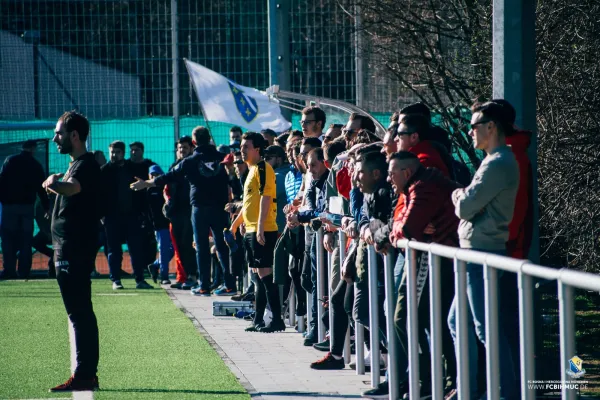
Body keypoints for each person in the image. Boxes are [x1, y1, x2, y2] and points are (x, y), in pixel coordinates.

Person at [447, 101, 520, 400]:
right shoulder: (491, 161)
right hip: (473, 252)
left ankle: (506, 393)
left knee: (486, 328)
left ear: (491, 127)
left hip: (483, 253)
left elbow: (465, 206)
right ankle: (471, 389)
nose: (470, 130)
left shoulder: (499, 162)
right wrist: (463, 197)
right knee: (458, 322)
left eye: (474, 125)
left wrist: (456, 194)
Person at [130, 126, 235, 297]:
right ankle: (230, 284)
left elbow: (168, 177)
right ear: (209, 139)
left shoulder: (189, 161)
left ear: (194, 142)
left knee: (201, 247)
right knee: (221, 245)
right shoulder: (221, 158)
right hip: (220, 208)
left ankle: (204, 286)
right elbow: (233, 178)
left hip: (199, 208)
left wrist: (147, 183)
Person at [44, 111, 101, 392]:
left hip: (73, 250)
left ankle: (85, 375)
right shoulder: (76, 164)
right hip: (67, 249)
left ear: (74, 136)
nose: (55, 138)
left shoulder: (84, 166)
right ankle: (87, 373)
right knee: (80, 313)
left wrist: (53, 183)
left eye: (59, 133)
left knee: (79, 314)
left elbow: (73, 188)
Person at [230, 132, 285, 333]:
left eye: (246, 147)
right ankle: (258, 319)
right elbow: (248, 204)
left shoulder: (263, 168)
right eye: (242, 146)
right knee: (257, 277)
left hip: (263, 230)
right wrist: (236, 225)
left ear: (257, 149)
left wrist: (260, 227)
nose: (242, 150)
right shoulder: (251, 170)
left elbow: (266, 198)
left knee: (265, 276)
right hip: (251, 230)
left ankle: (277, 319)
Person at [101, 141, 154, 290]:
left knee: (136, 249)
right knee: (114, 250)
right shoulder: (104, 171)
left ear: (123, 153)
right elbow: (98, 195)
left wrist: (142, 213)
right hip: (111, 217)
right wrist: (102, 215)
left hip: (132, 216)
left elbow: (142, 189)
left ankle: (139, 280)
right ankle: (116, 280)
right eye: (112, 152)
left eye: (117, 152)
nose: (114, 155)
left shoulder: (132, 169)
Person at [0, 139, 49, 279]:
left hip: (9, 207)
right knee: (25, 240)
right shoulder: (36, 165)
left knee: (8, 239)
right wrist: (46, 207)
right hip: (27, 207)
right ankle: (24, 271)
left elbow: (1, 181)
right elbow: (41, 189)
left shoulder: (10, 161)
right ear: (33, 149)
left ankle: (9, 270)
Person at [164, 136, 197, 289]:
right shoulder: (174, 166)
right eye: (179, 148)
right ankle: (185, 277)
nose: (182, 150)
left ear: (191, 148)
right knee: (180, 246)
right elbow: (167, 187)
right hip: (176, 212)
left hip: (190, 212)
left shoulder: (194, 164)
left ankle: (193, 276)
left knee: (188, 244)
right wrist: (167, 202)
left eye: (185, 147)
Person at [146, 165, 174, 285]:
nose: (154, 177)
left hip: (171, 223)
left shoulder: (167, 188)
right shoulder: (148, 191)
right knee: (164, 250)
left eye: (156, 174)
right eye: (152, 174)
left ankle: (155, 265)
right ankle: (164, 276)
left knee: (172, 249)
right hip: (159, 225)